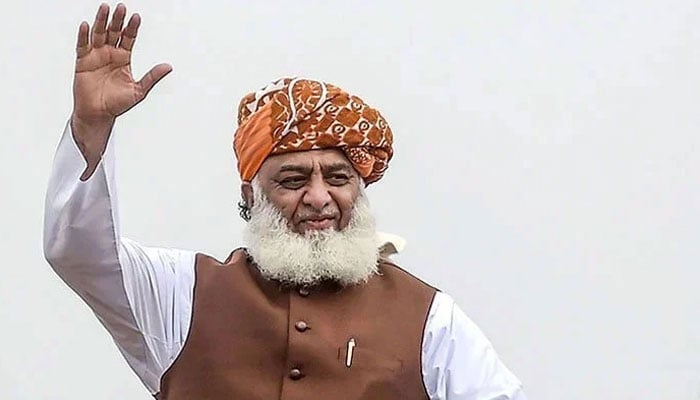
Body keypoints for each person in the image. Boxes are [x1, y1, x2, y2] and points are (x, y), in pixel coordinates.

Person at [43, 3, 526, 399]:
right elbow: (79, 253)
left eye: (338, 177)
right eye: (293, 180)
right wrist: (91, 127)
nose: (320, 198)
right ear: (250, 196)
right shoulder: (180, 296)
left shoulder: (431, 321)